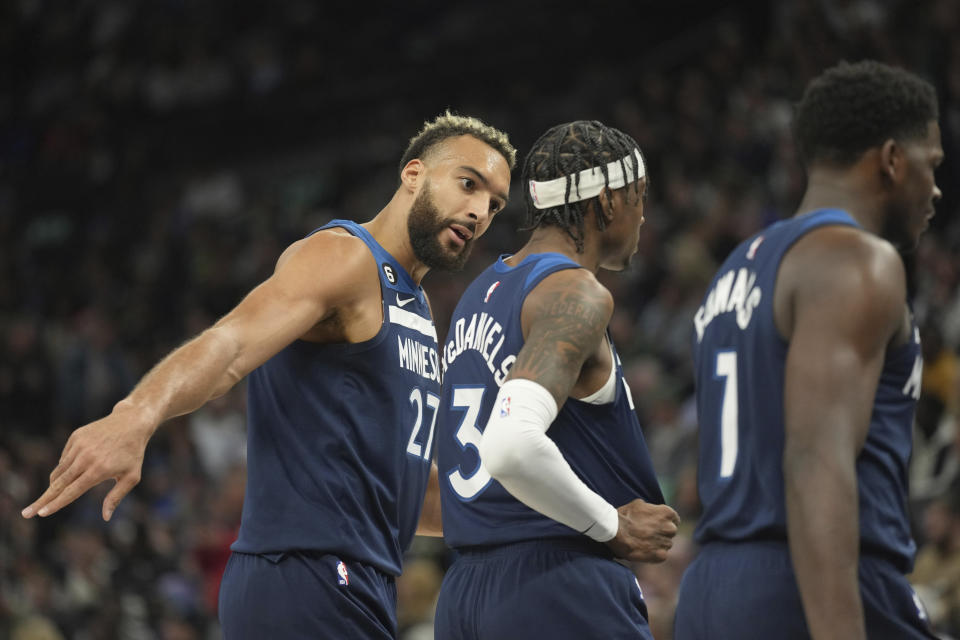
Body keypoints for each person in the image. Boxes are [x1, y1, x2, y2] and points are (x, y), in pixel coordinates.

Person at [21, 112, 516, 639]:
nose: (479, 210)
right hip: (305, 576)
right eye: (468, 183)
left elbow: (410, 491)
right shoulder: (344, 256)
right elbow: (231, 343)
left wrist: (556, 514)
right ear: (414, 174)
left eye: (494, 204)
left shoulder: (414, 305)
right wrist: (136, 414)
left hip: (355, 583)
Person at [674, 60, 943, 639]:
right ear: (894, 159)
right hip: (810, 581)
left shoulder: (736, 269)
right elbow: (814, 459)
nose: (937, 188)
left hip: (713, 588)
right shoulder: (857, 260)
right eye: (932, 165)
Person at [434, 120, 680, 640]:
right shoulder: (575, 293)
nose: (643, 215)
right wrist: (613, 524)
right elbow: (511, 446)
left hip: (463, 595)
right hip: (557, 585)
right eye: (639, 197)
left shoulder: (481, 291)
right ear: (609, 202)